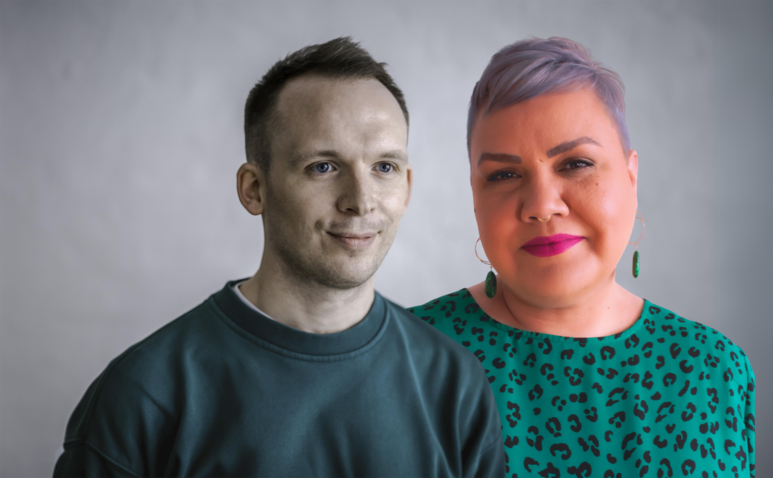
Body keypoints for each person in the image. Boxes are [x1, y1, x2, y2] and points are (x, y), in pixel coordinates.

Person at [54, 37, 504, 477]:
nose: (361, 201)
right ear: (254, 189)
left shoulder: (455, 383)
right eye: (323, 167)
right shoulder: (144, 394)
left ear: (406, 187)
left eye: (383, 167)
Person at [409, 37, 755, 478]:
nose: (541, 204)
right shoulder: (402, 359)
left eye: (575, 164)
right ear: (476, 199)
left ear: (631, 177)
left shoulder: (717, 369)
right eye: (504, 174)